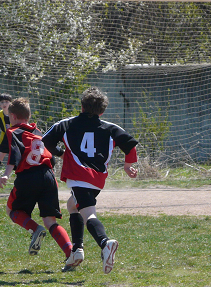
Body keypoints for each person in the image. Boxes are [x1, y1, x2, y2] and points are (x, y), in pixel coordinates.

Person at [42, 86, 139, 274]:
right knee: (72, 206)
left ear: (82, 106)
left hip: (79, 177)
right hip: (97, 179)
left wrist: (61, 153)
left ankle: (105, 243)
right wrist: (127, 166)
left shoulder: (67, 124)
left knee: (88, 215)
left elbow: (46, 141)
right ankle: (77, 251)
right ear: (102, 111)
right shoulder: (111, 128)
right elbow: (131, 145)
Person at [0, 98, 73, 261]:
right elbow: (51, 152)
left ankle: (35, 229)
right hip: (48, 176)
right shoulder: (37, 132)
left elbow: (14, 155)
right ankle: (71, 253)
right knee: (50, 220)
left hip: (28, 177)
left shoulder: (12, 131)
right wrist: (64, 155)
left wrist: (5, 174)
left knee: (13, 210)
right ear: (28, 117)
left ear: (14, 116)